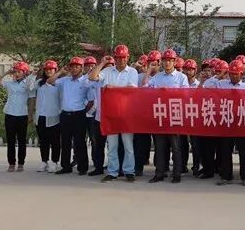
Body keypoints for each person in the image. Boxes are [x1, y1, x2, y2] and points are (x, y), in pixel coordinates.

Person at [87, 44, 139, 182]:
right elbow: (92, 77)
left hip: (126, 114)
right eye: (118, 57)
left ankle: (129, 171)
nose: (121, 60)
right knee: (112, 145)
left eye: (123, 57)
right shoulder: (108, 71)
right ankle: (112, 171)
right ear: (114, 58)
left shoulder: (132, 72)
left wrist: (113, 88)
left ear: (128, 57)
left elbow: (131, 90)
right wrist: (102, 63)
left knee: (128, 146)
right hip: (111, 115)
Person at [144, 49, 189, 184]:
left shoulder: (181, 77)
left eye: (170, 60)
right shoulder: (158, 77)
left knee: (176, 147)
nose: (167, 63)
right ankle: (159, 173)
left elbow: (186, 94)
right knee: (160, 146)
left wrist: (169, 92)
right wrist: (149, 71)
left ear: (174, 62)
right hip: (160, 115)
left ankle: (176, 174)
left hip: (175, 115)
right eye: (165, 60)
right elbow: (145, 88)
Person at [48, 57, 94, 175]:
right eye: (72, 67)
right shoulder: (65, 80)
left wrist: (83, 111)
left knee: (80, 142)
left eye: (76, 67)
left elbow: (91, 100)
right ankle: (66, 166)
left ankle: (82, 167)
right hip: (65, 115)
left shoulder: (86, 81)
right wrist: (60, 72)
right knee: (65, 142)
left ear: (81, 68)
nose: (74, 69)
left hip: (79, 115)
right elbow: (50, 82)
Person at [216, 59, 245, 186]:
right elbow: (211, 94)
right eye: (232, 73)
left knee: (244, 151)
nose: (234, 76)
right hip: (226, 121)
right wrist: (220, 76)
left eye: (236, 74)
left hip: (241, 122)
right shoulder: (221, 85)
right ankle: (226, 176)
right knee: (225, 150)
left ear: (241, 74)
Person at [0, 61, 32, 171]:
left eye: (19, 72)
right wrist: (6, 73)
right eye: (15, 72)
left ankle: (21, 163)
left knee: (22, 141)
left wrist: (30, 115)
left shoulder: (27, 84)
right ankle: (11, 163)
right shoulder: (9, 83)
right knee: (10, 140)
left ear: (24, 72)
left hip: (22, 115)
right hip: (10, 114)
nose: (17, 74)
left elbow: (32, 96)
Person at [134, 50, 161, 177]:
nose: (152, 65)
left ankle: (160, 167)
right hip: (143, 113)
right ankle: (138, 167)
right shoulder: (140, 76)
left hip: (158, 113)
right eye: (150, 62)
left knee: (159, 142)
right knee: (141, 142)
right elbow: (142, 88)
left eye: (155, 63)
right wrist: (148, 71)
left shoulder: (162, 77)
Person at [34, 61, 61, 172]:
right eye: (46, 69)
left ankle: (55, 162)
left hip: (54, 116)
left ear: (55, 70)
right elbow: (30, 87)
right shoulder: (39, 83)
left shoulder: (59, 83)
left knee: (55, 141)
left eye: (51, 69)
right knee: (43, 141)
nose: (48, 71)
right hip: (40, 115)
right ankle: (44, 161)